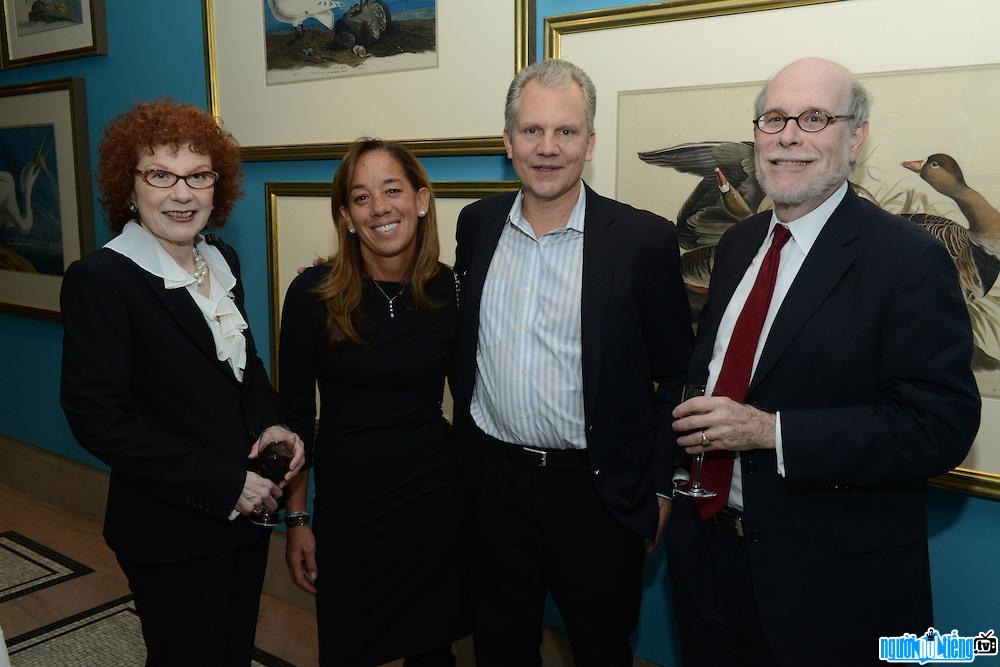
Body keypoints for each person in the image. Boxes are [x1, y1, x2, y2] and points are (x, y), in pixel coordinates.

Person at [668, 57, 981, 667]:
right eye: (774, 118)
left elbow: (939, 428)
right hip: (708, 561)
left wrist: (772, 431)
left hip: (829, 591)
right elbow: (704, 380)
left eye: (814, 119)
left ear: (855, 136)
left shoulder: (905, 261)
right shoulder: (736, 246)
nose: (789, 136)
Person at [451, 58, 693, 666]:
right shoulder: (477, 225)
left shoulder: (643, 241)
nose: (548, 148)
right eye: (532, 131)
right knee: (500, 647)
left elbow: (676, 377)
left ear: (590, 143)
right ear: (508, 142)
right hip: (493, 482)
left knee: (601, 647)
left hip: (596, 491)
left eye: (566, 132)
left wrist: (661, 488)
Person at [60, 99, 305, 665]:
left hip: (245, 516)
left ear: (217, 187)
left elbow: (245, 370)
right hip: (168, 529)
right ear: (129, 188)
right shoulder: (101, 280)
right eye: (160, 175)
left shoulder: (221, 260)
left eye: (198, 175)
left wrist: (273, 423)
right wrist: (224, 483)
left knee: (231, 651)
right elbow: (97, 419)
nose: (182, 193)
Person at [279, 139, 465, 666]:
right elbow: (293, 418)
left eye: (392, 190)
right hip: (347, 508)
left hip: (432, 502)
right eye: (361, 197)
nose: (380, 207)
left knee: (433, 652)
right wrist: (297, 520)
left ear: (421, 200)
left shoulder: (449, 291)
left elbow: (476, 400)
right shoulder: (312, 294)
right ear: (346, 216)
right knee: (346, 648)